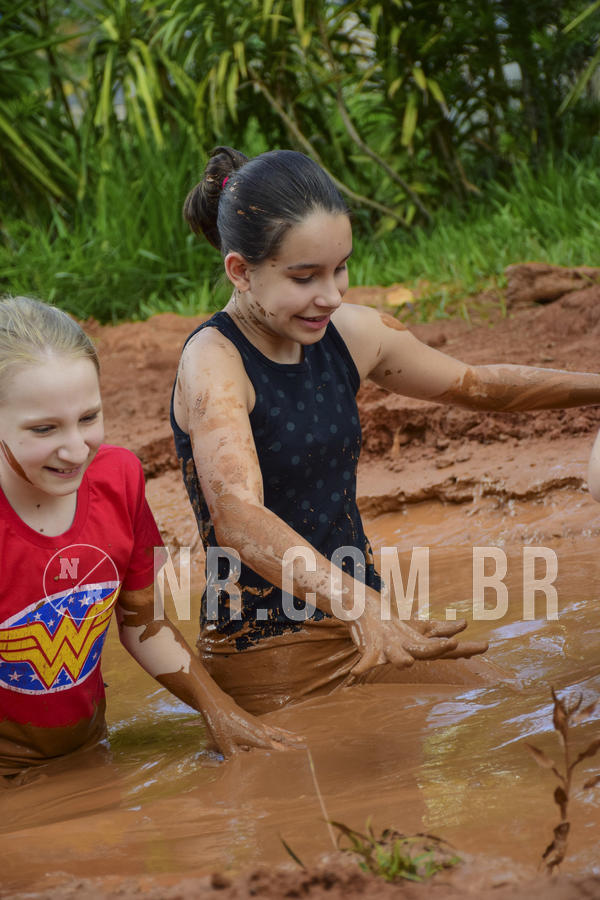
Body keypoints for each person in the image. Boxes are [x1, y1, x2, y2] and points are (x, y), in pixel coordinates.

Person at [172, 146, 600, 716]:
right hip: (269, 650)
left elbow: (478, 385)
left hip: (362, 622)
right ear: (241, 271)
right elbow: (238, 515)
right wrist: (359, 605)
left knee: (524, 701)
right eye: (305, 277)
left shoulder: (347, 332)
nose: (331, 294)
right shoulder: (214, 361)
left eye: (340, 267)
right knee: (520, 709)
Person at [0, 295, 302, 774]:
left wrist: (217, 708)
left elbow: (142, 621)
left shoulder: (118, 478)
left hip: (89, 754)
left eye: (88, 418)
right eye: (43, 429)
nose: (76, 449)